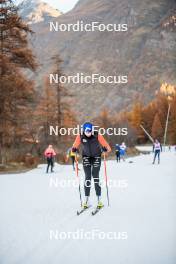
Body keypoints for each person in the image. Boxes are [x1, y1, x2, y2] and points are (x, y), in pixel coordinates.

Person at [72, 122, 111, 209]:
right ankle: (87, 200)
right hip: (86, 157)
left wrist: (105, 149)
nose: (88, 133)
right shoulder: (80, 136)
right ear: (83, 131)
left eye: (89, 131)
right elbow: (74, 146)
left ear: (92, 130)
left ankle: (99, 200)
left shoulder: (97, 135)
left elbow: (108, 148)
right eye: (86, 132)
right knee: (87, 177)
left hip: (96, 156)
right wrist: (74, 150)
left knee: (95, 176)